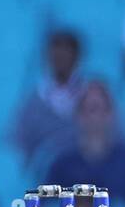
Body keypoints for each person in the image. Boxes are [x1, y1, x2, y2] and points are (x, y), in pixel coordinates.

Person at [46, 81, 125, 207]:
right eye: (86, 109)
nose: (93, 117)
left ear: (111, 114)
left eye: (97, 108)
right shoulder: (62, 165)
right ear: (77, 116)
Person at [12, 29, 87, 175]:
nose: (61, 58)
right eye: (56, 51)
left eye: (67, 52)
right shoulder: (34, 100)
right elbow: (21, 143)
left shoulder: (91, 96)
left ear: (76, 57)